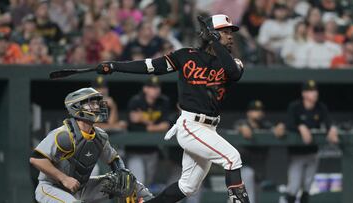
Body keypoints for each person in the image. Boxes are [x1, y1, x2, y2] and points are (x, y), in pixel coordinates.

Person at [96, 14, 249, 203]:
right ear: (209, 34)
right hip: (191, 125)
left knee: (187, 187)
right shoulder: (185, 55)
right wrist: (114, 66)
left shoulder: (234, 63)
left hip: (210, 128)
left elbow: (233, 73)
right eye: (224, 32)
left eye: (229, 32)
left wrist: (214, 40)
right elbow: (151, 66)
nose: (230, 36)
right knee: (232, 158)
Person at [29, 87, 152, 203]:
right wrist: (64, 179)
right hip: (52, 187)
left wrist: (121, 173)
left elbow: (113, 159)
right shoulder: (63, 135)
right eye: (91, 104)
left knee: (130, 184)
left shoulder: (99, 136)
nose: (97, 107)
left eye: (97, 103)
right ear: (76, 107)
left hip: (80, 187)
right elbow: (36, 159)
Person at [286, 80, 339, 203]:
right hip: (296, 154)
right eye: (310, 91)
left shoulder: (320, 107)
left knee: (307, 187)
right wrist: (301, 127)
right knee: (293, 187)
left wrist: (332, 129)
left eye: (315, 90)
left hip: (312, 153)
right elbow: (289, 124)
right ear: (304, 94)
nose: (314, 93)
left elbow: (328, 123)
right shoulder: (295, 107)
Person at [234, 100, 285, 203]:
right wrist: (241, 128)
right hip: (243, 168)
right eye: (255, 110)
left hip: (259, 170)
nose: (258, 112)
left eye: (260, 110)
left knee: (252, 199)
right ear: (248, 113)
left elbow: (276, 130)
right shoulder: (242, 123)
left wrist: (279, 127)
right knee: (249, 197)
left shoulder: (266, 126)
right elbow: (238, 125)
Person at [126, 76, 170, 186]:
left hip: (152, 151)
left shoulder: (163, 101)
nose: (156, 90)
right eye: (152, 87)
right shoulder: (136, 101)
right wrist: (155, 126)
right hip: (135, 150)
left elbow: (166, 125)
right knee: (138, 183)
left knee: (148, 183)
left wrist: (143, 120)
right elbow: (132, 125)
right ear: (145, 88)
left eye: (157, 87)